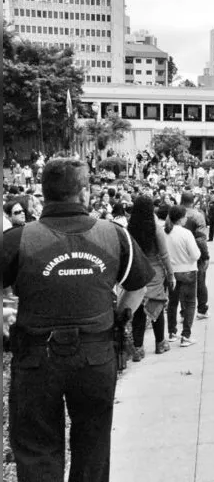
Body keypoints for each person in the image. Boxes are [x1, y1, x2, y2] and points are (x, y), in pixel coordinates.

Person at [2, 158, 154, 482]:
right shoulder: (114, 235)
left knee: (37, 449)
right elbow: (139, 284)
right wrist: (120, 317)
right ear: (84, 193)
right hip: (95, 357)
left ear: (42, 194)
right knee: (93, 447)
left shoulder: (18, 239)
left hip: (35, 360)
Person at [128, 195, 176, 359]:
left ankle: (138, 348)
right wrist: (171, 275)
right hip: (155, 274)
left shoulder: (129, 229)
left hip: (137, 273)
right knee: (157, 307)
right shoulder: (156, 229)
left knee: (138, 311)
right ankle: (160, 343)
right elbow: (164, 254)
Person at [164, 205, 201, 347]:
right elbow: (195, 254)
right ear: (180, 218)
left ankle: (172, 332)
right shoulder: (186, 233)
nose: (186, 219)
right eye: (185, 216)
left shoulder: (165, 232)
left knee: (173, 303)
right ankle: (186, 335)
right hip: (188, 270)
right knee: (190, 303)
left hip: (171, 271)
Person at [181, 191, 211, 320]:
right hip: (195, 253)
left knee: (182, 284)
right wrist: (205, 256)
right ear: (193, 202)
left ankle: (184, 312)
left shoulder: (174, 214)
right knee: (200, 281)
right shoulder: (198, 216)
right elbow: (201, 239)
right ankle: (202, 310)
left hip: (179, 253)